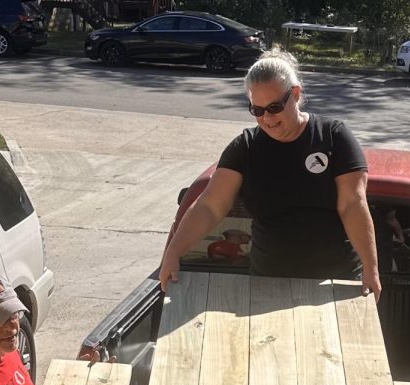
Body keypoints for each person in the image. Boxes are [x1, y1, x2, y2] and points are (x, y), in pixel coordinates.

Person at [158, 49, 380, 296]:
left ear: (295, 94)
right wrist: (173, 253)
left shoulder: (333, 137)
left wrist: (371, 268)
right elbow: (210, 206)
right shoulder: (246, 148)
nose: (267, 118)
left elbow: (353, 204)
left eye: (274, 107)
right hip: (268, 283)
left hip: (334, 283)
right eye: (257, 110)